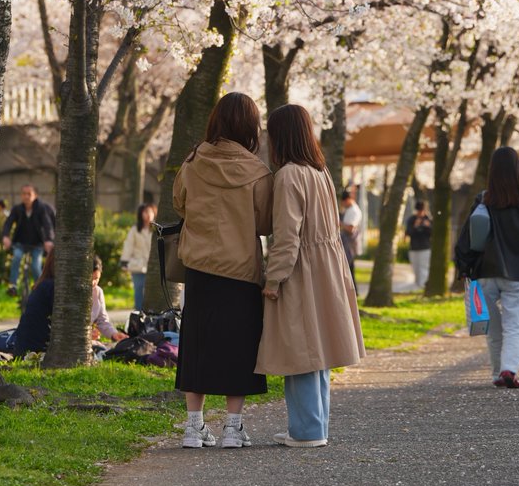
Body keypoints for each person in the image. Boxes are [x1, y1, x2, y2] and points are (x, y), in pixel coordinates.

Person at [256, 104, 365, 446]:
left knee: (300, 347)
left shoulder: (288, 175)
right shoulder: (320, 171)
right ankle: (316, 426)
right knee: (319, 349)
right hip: (328, 266)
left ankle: (306, 431)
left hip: (302, 268)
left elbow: (287, 236)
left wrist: (273, 279)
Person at [173, 91, 274, 449]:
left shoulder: (193, 160)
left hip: (199, 266)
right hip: (240, 269)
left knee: (196, 342)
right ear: (250, 126)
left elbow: (180, 202)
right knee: (239, 344)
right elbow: (265, 222)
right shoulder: (257, 171)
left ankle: (193, 426)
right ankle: (233, 426)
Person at [455, 147, 519, 389]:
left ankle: (497, 372)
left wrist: (464, 267)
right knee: (516, 327)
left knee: (493, 329)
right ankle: (508, 369)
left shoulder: (483, 200)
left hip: (485, 272)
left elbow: (467, 238)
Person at [0, 250, 55, 356]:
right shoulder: (52, 287)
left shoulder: (44, 284)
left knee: (0, 338)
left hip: (22, 344)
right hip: (34, 349)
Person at [2, 184, 55, 294]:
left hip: (37, 245)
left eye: (29, 194)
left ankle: (39, 288)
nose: (26, 196)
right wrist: (5, 236)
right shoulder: (17, 209)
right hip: (20, 244)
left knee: (35, 266)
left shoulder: (41, 209)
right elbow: (8, 223)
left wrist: (49, 240)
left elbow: (48, 225)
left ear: (35, 195)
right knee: (16, 258)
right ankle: (13, 286)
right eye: (24, 194)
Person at [120, 202, 157, 310]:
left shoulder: (157, 229)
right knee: (139, 290)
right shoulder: (135, 229)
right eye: (145, 212)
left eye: (150, 212)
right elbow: (128, 246)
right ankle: (139, 313)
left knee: (153, 292)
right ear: (141, 214)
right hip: (138, 266)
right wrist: (124, 262)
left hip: (153, 266)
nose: (148, 215)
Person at [91, 255, 128, 344]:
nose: (93, 283)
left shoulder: (98, 292)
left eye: (96, 279)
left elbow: (102, 321)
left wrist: (114, 334)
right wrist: (86, 334)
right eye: (89, 278)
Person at [405, 200, 432, 291]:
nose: (420, 213)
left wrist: (427, 226)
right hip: (414, 248)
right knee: (415, 268)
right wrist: (415, 226)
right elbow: (408, 232)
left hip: (425, 248)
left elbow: (432, 233)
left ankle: (423, 286)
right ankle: (417, 286)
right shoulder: (412, 220)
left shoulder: (428, 220)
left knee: (424, 268)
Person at [339, 188, 363, 290]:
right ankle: (353, 290)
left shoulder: (354, 211)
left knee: (348, 268)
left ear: (347, 200)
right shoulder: (348, 209)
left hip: (350, 243)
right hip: (347, 243)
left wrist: (339, 224)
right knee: (349, 268)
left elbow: (350, 228)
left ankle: (353, 290)